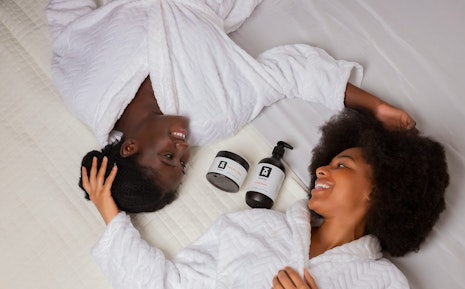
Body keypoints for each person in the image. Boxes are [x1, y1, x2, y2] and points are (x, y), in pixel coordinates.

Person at [82, 108, 449, 289]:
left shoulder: (385, 287)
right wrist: (110, 213)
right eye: (327, 160)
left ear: (379, 189)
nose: (321, 168)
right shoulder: (247, 229)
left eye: (342, 165)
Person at [46, 0, 416, 213]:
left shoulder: (84, 92)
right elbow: (289, 75)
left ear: (130, 147)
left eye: (168, 158)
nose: (183, 147)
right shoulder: (214, 114)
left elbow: (66, 20)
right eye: (185, 162)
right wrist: (374, 107)